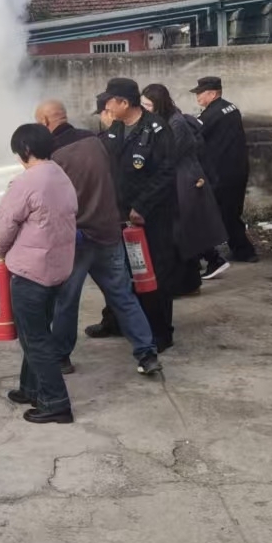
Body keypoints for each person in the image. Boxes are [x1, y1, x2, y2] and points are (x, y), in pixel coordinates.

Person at [37, 101, 163, 378]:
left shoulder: (52, 156)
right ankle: (147, 353)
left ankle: (61, 357)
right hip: (108, 233)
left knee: (66, 301)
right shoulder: (97, 141)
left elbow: (49, 203)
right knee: (123, 296)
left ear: (45, 121)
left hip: (77, 240)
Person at [0, 123, 78, 424]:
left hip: (31, 271)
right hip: (58, 268)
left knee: (35, 339)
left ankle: (56, 403)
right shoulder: (61, 175)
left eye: (17, 152)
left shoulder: (26, 182)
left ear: (25, 150)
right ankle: (31, 388)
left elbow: (5, 225)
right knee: (36, 333)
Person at [87, 78, 180, 353]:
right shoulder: (116, 127)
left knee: (152, 273)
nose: (106, 107)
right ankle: (114, 321)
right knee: (118, 271)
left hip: (151, 216)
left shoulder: (157, 129)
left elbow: (166, 173)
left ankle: (160, 333)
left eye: (110, 102)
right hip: (118, 213)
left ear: (125, 103)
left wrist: (142, 206)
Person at [141, 83, 228, 294]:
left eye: (148, 105)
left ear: (159, 104)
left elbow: (168, 154)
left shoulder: (175, 123)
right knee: (182, 234)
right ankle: (192, 276)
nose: (145, 109)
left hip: (183, 179)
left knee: (184, 232)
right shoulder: (161, 120)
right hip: (176, 179)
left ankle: (193, 277)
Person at [192, 76, 259, 264]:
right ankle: (241, 250)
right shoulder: (231, 108)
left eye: (200, 93)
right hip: (237, 169)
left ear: (212, 93)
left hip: (221, 172)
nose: (197, 97)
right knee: (230, 213)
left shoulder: (211, 115)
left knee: (218, 213)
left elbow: (194, 133)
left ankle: (241, 252)